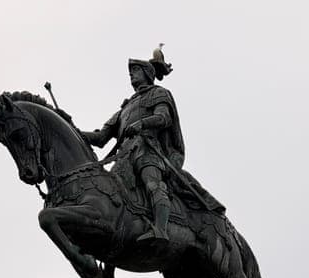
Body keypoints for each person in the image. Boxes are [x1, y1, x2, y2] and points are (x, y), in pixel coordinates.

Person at [81, 50, 224, 245]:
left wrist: (141, 124)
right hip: (124, 157)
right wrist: (72, 130)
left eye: (136, 70)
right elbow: (100, 138)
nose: (131, 74)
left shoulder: (158, 93)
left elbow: (164, 118)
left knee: (152, 183)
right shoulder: (125, 108)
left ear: (147, 74)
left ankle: (160, 229)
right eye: (130, 71)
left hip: (148, 150)